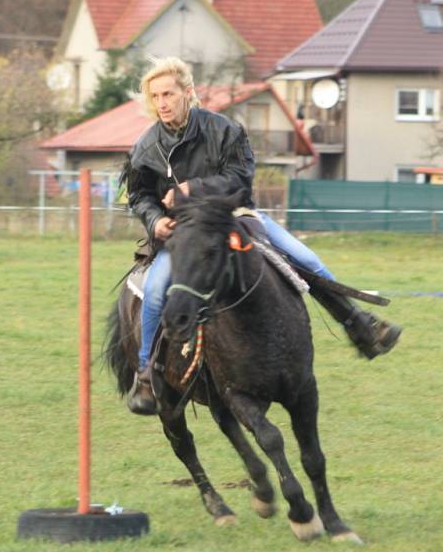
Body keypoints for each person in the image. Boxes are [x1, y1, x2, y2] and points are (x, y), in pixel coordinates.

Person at [123, 56, 400, 415]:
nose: (162, 103)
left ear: (187, 93)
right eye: (155, 96)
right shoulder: (146, 147)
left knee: (308, 259)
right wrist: (155, 220)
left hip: (235, 217)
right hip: (183, 235)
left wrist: (195, 189)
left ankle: (360, 324)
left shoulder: (224, 130)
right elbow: (139, 195)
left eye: (168, 94)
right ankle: (146, 374)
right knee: (157, 290)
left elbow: (240, 180)